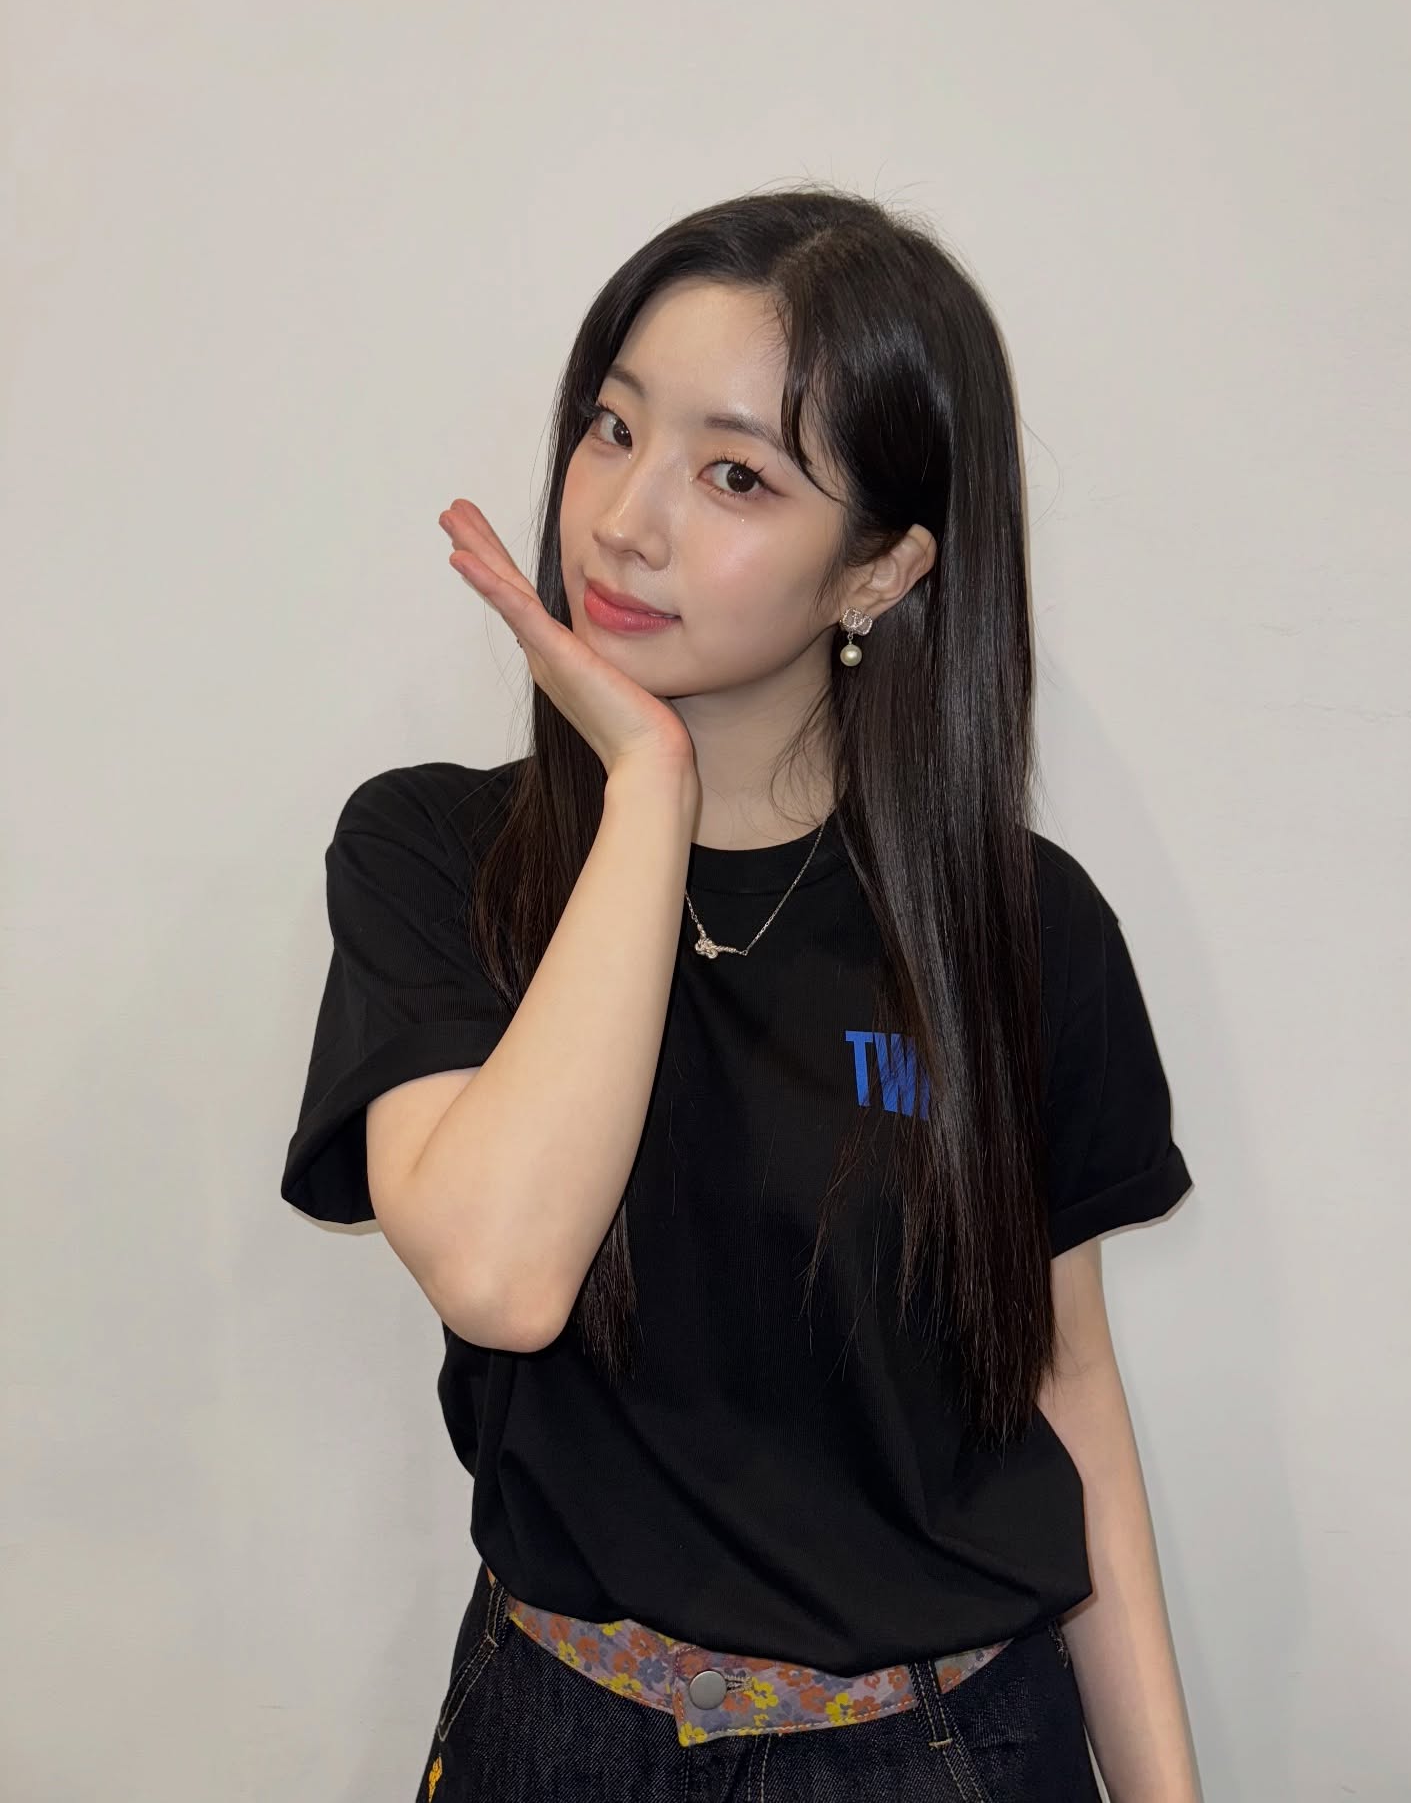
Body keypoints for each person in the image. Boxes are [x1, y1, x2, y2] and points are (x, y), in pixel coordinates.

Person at [281, 185, 1201, 1802]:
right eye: (612, 427)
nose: (625, 519)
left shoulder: (1020, 928)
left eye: (734, 475)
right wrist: (650, 782)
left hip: (945, 1751)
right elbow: (502, 1275)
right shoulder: (438, 856)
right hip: (559, 1737)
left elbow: (1067, 1389)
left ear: (880, 569)